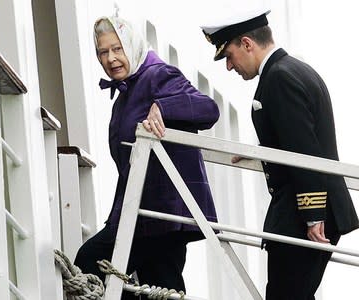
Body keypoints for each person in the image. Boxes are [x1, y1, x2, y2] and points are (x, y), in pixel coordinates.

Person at [201, 8, 359, 300]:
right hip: (310, 208)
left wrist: (313, 215)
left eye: (229, 55)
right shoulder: (295, 70)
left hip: (303, 213)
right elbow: (299, 135)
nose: (229, 67)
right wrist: (260, 153)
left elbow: (304, 149)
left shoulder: (279, 78)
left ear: (247, 43)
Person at [73, 16, 220, 298]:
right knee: (154, 287)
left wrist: (163, 106)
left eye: (118, 49)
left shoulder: (157, 75)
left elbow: (208, 109)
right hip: (146, 214)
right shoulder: (125, 95)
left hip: (163, 213)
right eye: (103, 52)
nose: (111, 58)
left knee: (91, 260)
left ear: (132, 46)